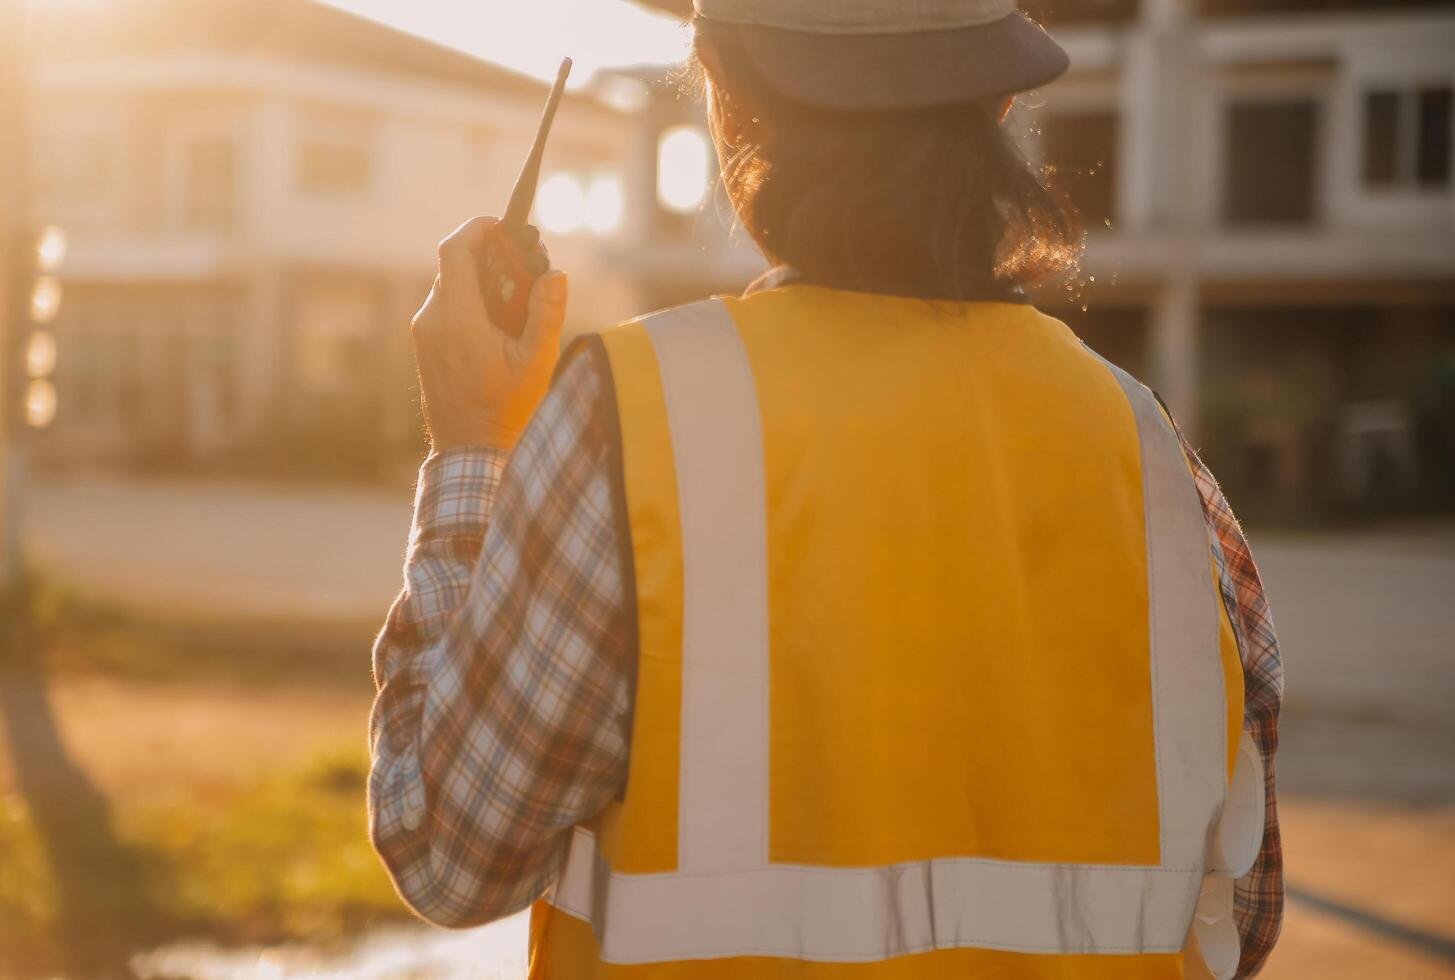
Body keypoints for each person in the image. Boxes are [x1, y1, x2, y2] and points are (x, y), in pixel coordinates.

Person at [367, 1, 1284, 977]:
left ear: (725, 91)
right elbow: (1241, 908)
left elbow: (450, 855)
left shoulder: (633, 423)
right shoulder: (1155, 456)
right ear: (1001, 96)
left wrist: (474, 443)